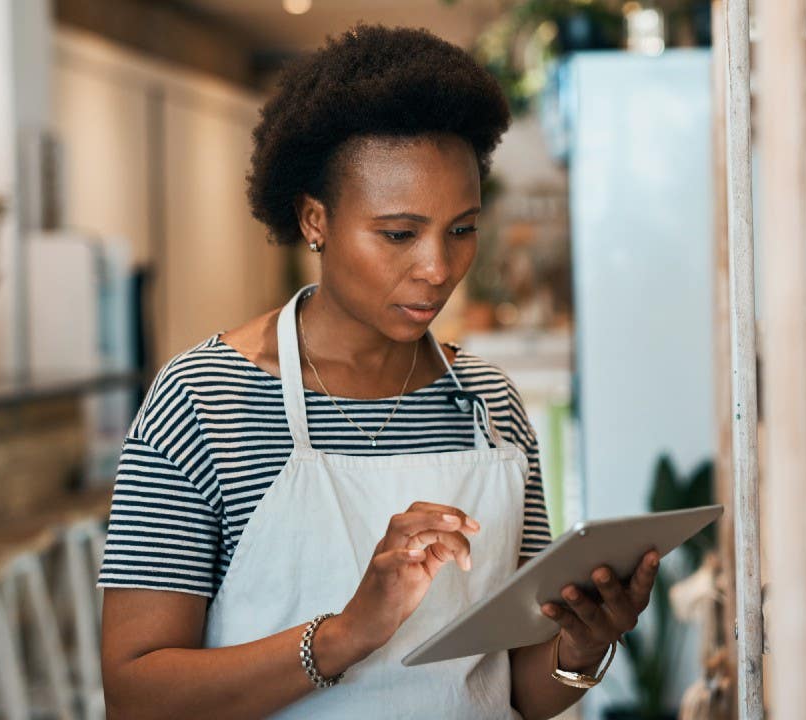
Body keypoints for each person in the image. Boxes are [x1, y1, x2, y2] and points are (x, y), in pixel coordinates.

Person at [97, 24, 660, 719]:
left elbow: (515, 687)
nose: (438, 268)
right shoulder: (204, 401)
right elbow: (134, 694)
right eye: (399, 234)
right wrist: (345, 635)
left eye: (462, 229)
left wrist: (583, 646)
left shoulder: (489, 405)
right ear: (314, 220)